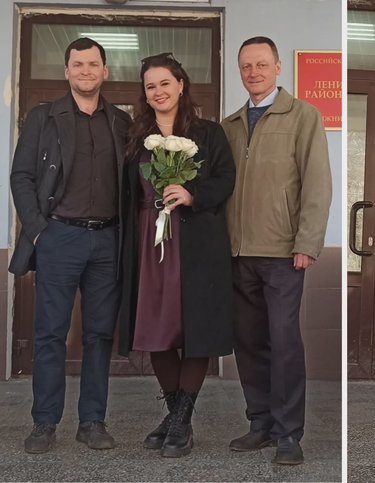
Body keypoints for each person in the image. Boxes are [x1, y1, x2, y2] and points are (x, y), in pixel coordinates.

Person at [10, 37, 130, 454]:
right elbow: (21, 176)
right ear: (67, 71)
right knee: (49, 335)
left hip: (107, 240)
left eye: (92, 64)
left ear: (104, 71)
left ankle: (92, 421)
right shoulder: (43, 118)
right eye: (77, 64)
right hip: (59, 237)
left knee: (99, 335)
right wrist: (40, 230)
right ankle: (44, 423)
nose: (85, 70)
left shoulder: (120, 122)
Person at [116, 53, 235, 458]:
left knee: (194, 333)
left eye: (165, 83)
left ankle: (178, 423)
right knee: (156, 332)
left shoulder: (209, 133)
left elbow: (225, 181)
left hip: (196, 243)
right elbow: (128, 194)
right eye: (150, 86)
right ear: (144, 95)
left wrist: (192, 194)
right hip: (150, 246)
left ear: (181, 85)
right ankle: (177, 417)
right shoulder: (136, 138)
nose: (159, 91)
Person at [221, 36, 332, 465]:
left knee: (284, 341)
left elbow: (317, 183)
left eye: (261, 64)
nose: (254, 72)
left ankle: (289, 433)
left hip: (284, 252)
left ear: (278, 67)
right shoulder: (230, 124)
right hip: (237, 252)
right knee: (248, 341)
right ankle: (260, 423)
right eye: (246, 66)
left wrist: (307, 242)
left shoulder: (303, 116)